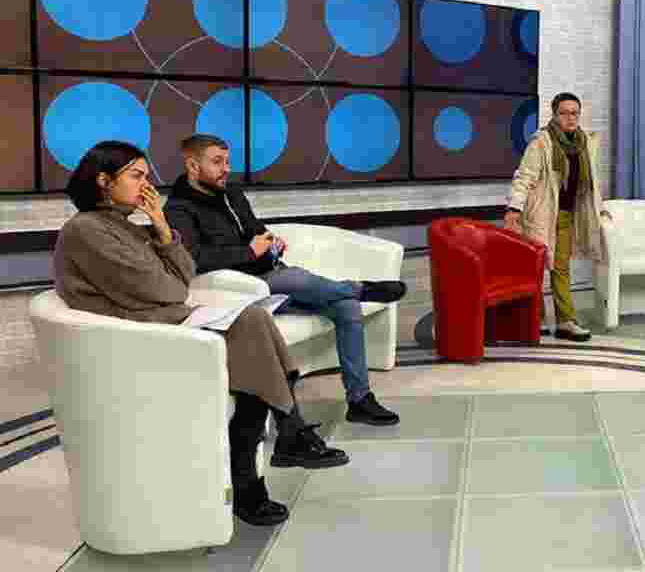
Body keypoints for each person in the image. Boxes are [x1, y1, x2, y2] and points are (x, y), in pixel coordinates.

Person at [54, 141, 348, 528]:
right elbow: (170, 289)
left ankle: (278, 441)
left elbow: (184, 274)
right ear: (104, 181)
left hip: (161, 324)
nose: (148, 187)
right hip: (135, 341)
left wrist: (161, 229)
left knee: (254, 322)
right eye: (137, 176)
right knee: (251, 339)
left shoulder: (124, 226)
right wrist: (166, 250)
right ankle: (270, 455)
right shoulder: (87, 231)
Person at [164, 134, 405, 427]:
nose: (226, 168)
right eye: (217, 162)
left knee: (347, 307)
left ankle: (359, 400)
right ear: (192, 165)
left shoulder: (232, 193)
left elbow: (255, 229)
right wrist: (249, 251)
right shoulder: (177, 210)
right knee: (296, 278)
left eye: (227, 161)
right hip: (238, 291)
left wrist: (270, 241)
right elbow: (193, 259)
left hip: (271, 276)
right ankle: (358, 288)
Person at [504, 92, 609, 341]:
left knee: (561, 269)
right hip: (540, 215)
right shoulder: (541, 142)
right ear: (554, 114)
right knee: (535, 268)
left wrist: (599, 207)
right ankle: (535, 318)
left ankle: (565, 322)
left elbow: (591, 183)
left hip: (566, 215)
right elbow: (524, 178)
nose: (570, 118)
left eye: (575, 113)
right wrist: (514, 209)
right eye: (564, 113)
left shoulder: (585, 142)